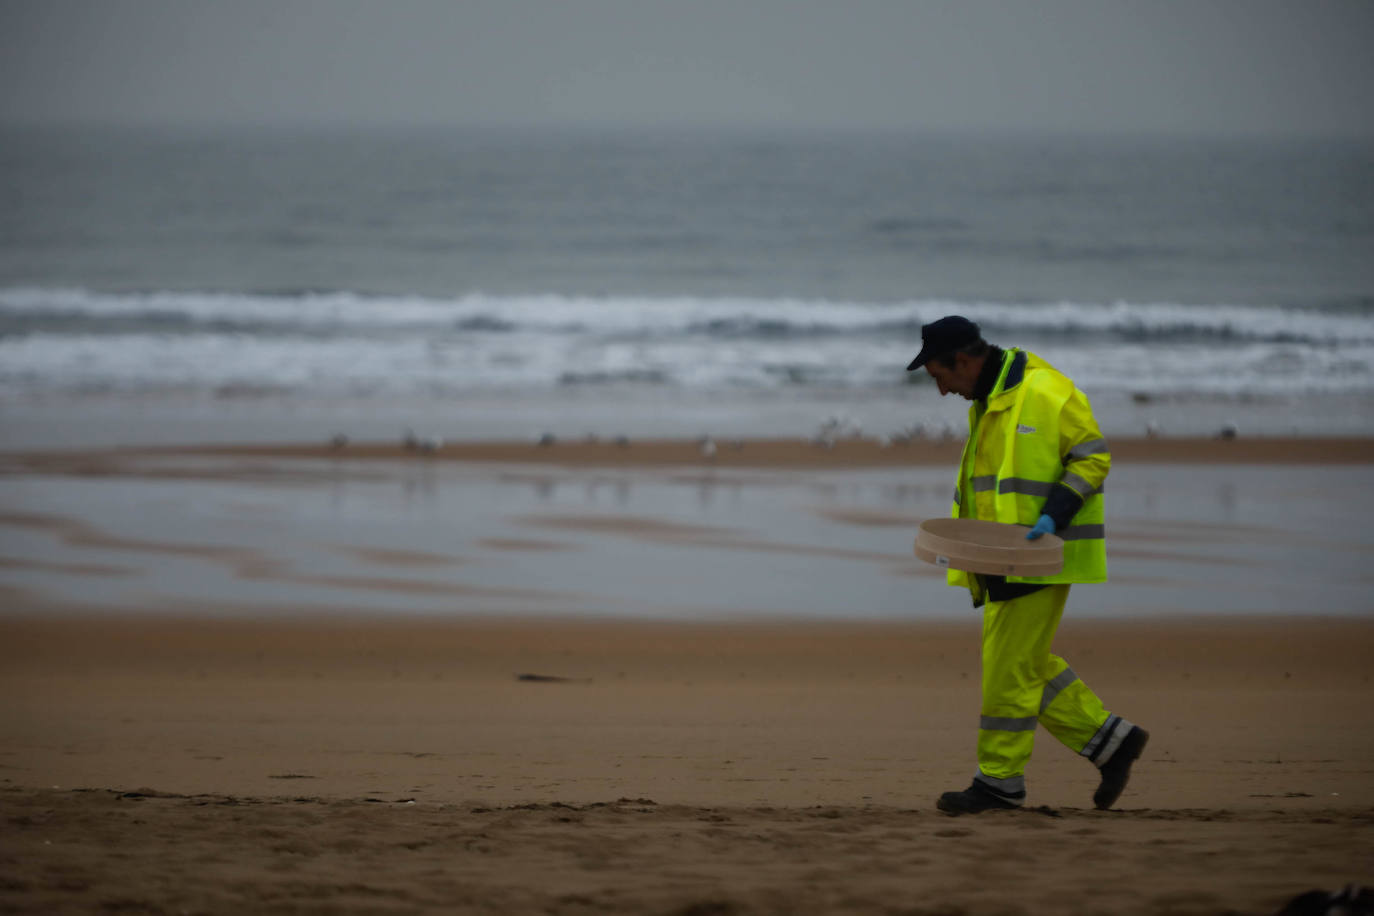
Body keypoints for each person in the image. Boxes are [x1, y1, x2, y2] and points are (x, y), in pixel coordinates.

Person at [907, 315, 1148, 815]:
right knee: (1023, 663)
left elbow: (1092, 457)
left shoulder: (1043, 390)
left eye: (940, 376)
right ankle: (1111, 741)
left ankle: (1000, 782)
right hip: (998, 555)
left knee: (1008, 669)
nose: (941, 390)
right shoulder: (991, 397)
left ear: (965, 361)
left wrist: (1053, 516)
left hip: (1037, 555)